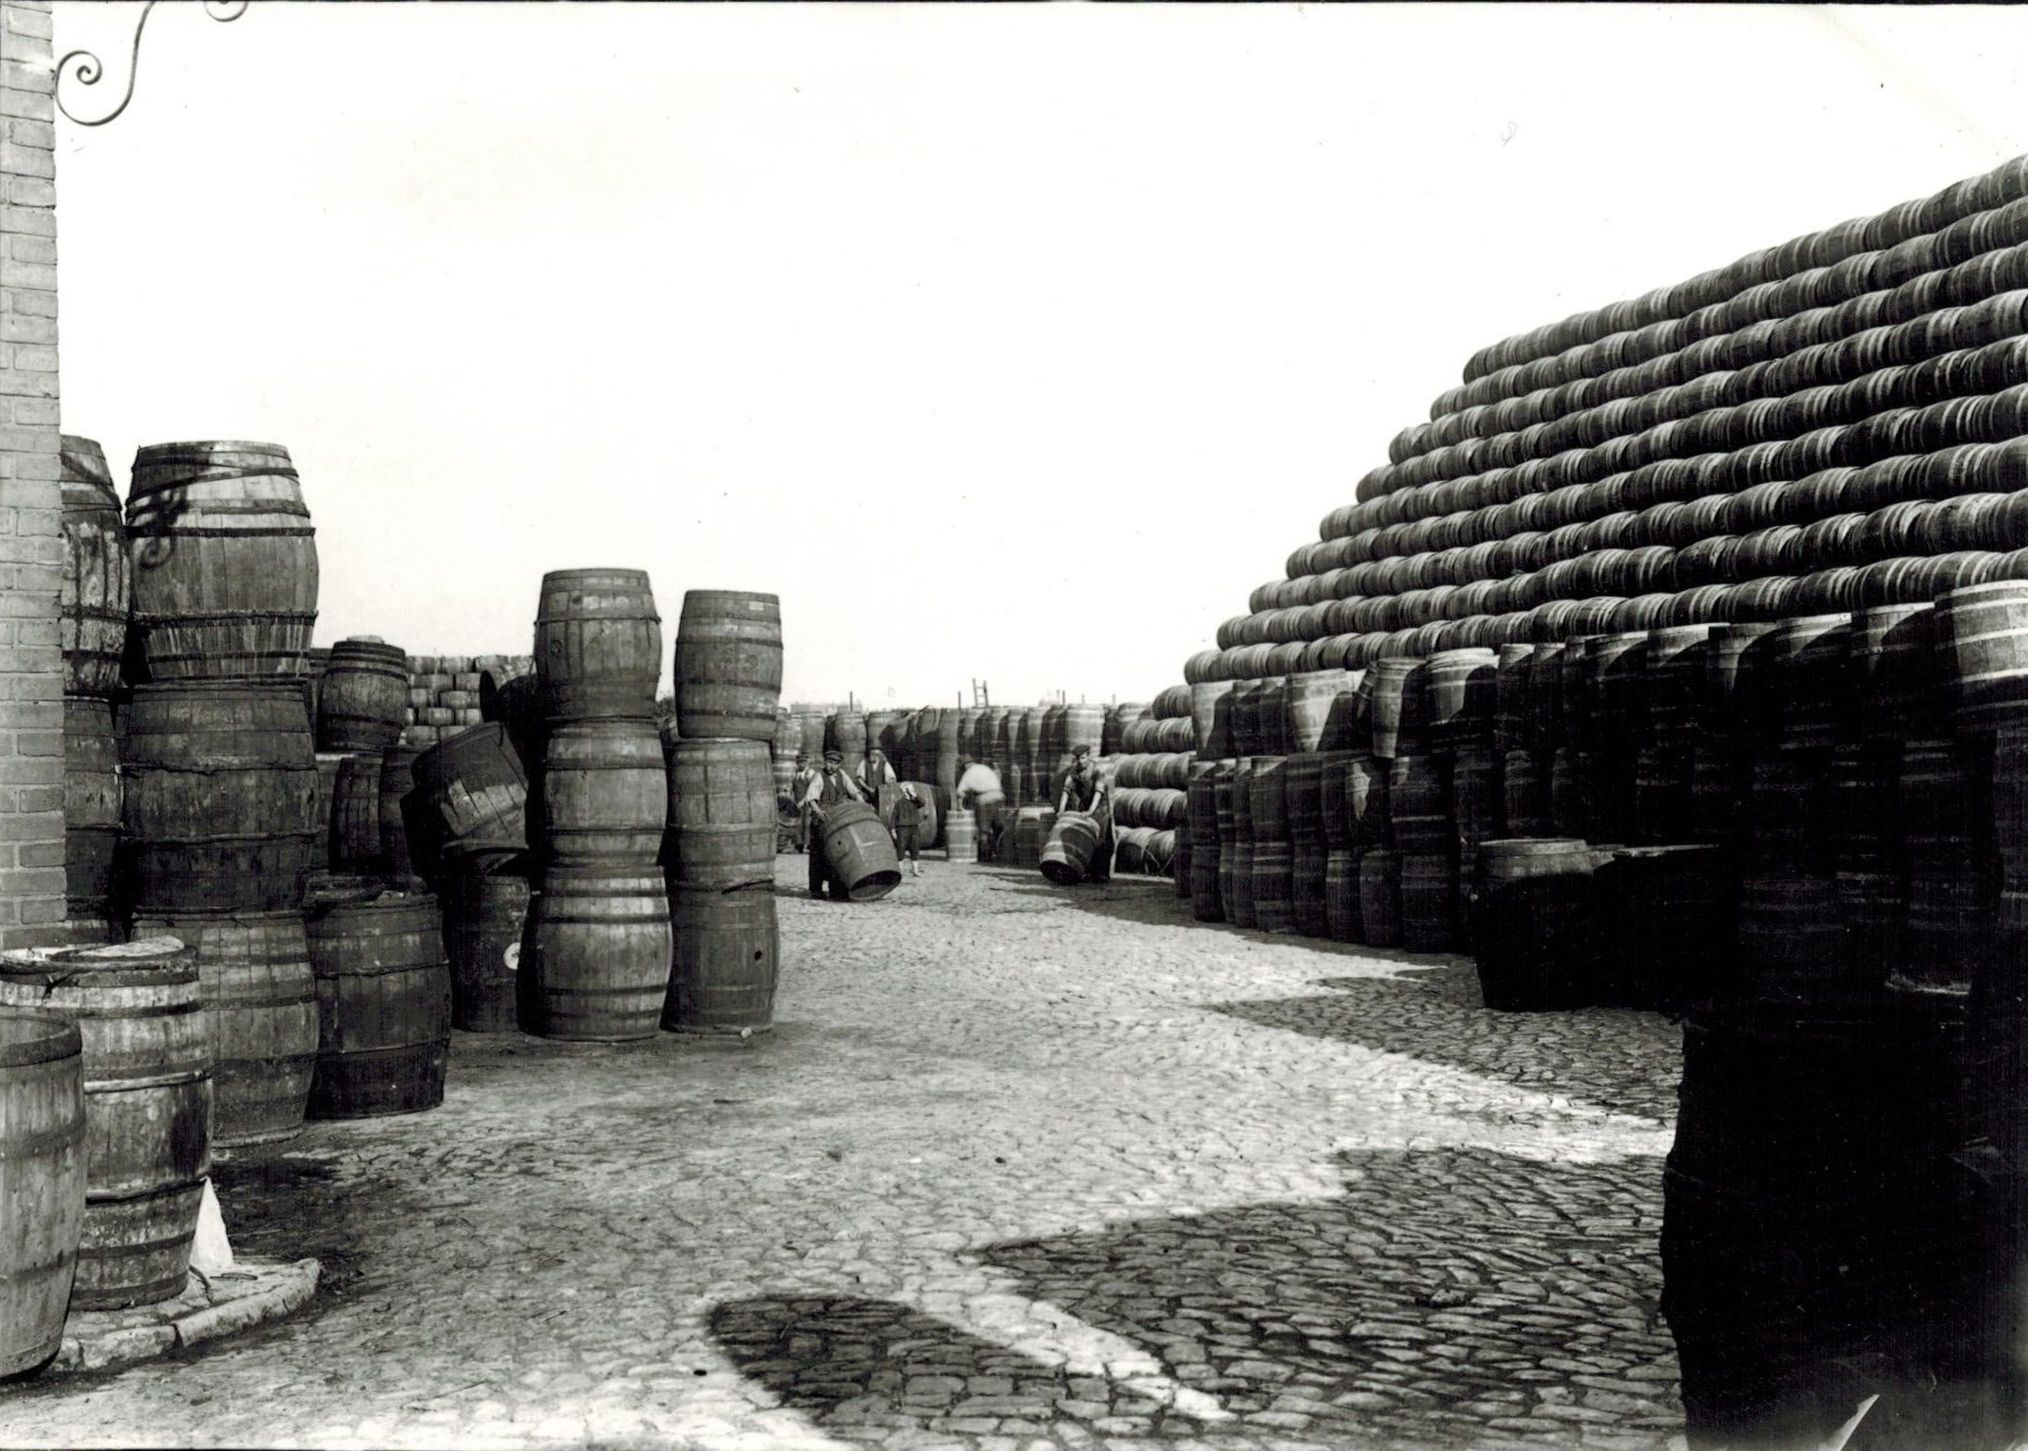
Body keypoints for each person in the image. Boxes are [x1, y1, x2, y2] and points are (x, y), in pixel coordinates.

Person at [800, 749, 868, 899]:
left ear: (839, 765)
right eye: (829, 762)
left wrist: (862, 805)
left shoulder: (842, 775)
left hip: (837, 820)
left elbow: (854, 792)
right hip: (821, 821)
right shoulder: (819, 776)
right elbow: (811, 799)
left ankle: (837, 890)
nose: (831, 766)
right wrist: (818, 811)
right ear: (825, 762)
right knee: (818, 857)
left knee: (838, 854)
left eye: (835, 764)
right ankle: (816, 890)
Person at [1057, 745, 1113, 884]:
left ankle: (1101, 874)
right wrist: (1061, 810)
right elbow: (1066, 790)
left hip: (1100, 808)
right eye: (1078, 758)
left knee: (1102, 840)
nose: (1080, 761)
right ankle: (1086, 872)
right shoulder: (1074, 771)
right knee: (1084, 839)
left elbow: (1098, 793)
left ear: (1088, 756)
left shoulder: (1097, 771)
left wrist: (1091, 811)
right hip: (1085, 806)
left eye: (1083, 758)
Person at [955, 755, 1006, 862]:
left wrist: (959, 807)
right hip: (999, 797)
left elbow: (960, 792)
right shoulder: (985, 768)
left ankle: (985, 856)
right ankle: (1001, 853)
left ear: (964, 766)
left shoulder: (968, 773)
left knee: (983, 830)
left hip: (984, 800)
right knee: (999, 827)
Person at [892, 782, 926, 877]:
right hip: (902, 828)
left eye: (909, 791)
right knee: (901, 849)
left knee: (915, 848)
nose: (906, 793)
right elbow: (894, 816)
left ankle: (915, 870)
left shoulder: (915, 802)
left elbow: (923, 802)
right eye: (905, 791)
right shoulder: (899, 803)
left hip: (914, 827)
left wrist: (914, 795)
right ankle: (900, 870)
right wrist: (893, 829)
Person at [789, 751, 819, 852]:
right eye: (799, 762)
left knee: (808, 823)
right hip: (797, 802)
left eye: (803, 762)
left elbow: (812, 789)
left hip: (808, 801)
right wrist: (792, 797)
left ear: (807, 763)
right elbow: (791, 787)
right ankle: (798, 846)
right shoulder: (795, 773)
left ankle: (809, 846)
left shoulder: (810, 773)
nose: (801, 764)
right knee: (797, 823)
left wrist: (803, 800)